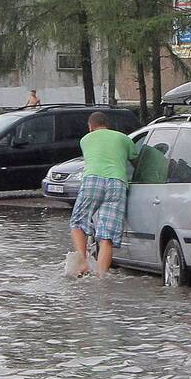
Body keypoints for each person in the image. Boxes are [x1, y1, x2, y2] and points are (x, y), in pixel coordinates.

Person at [69, 111, 138, 276]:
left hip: (93, 181)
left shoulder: (85, 140)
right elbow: (135, 161)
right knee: (107, 235)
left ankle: (83, 262)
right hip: (118, 183)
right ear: (108, 125)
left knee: (78, 222)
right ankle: (100, 277)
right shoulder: (124, 138)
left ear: (90, 126)